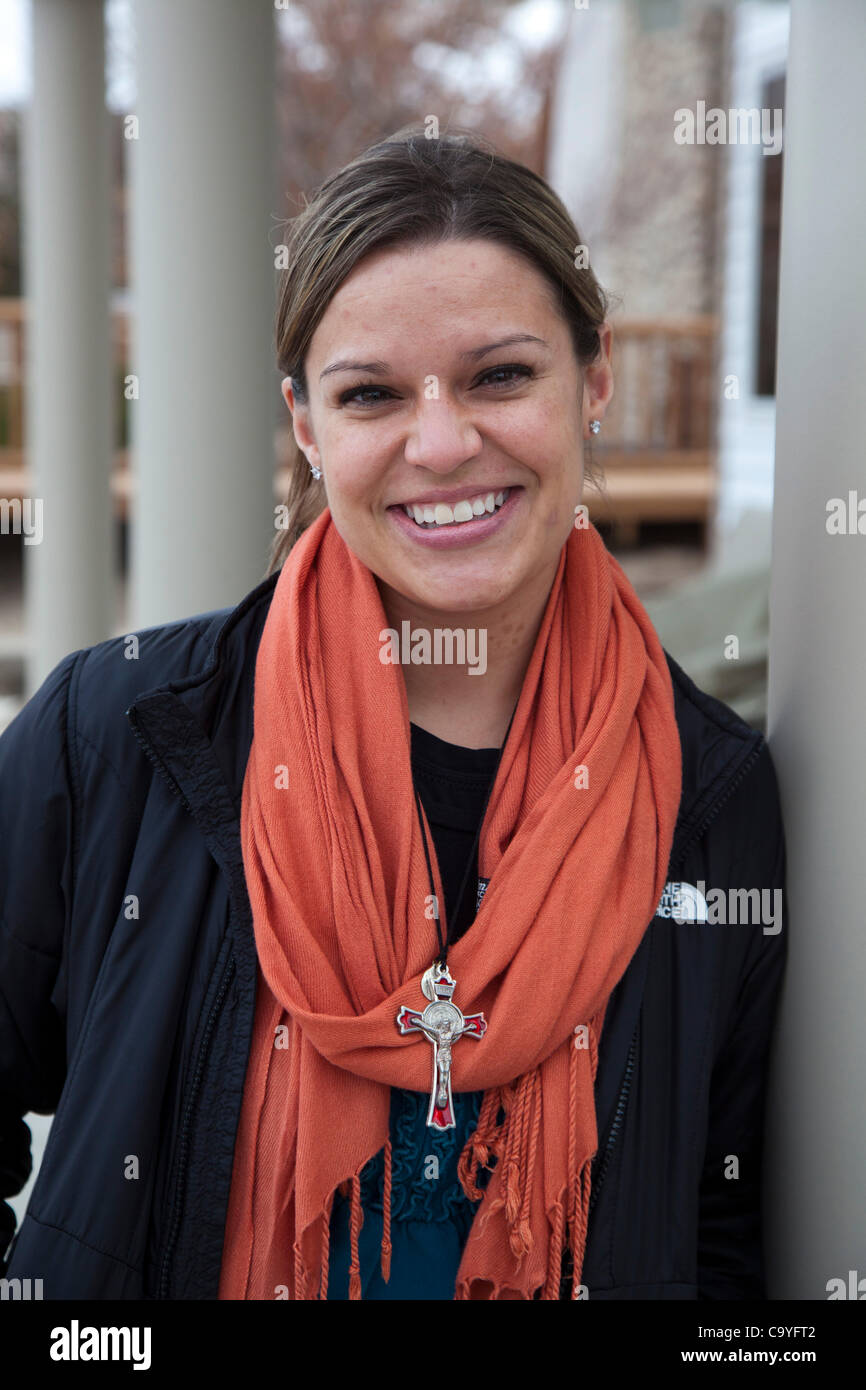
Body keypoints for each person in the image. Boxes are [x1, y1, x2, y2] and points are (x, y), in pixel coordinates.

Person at [0, 126, 787, 1301]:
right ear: (309, 428)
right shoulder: (111, 730)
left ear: (595, 381)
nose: (440, 443)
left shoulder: (710, 792)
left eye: (500, 375)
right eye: (370, 394)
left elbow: (716, 1225)